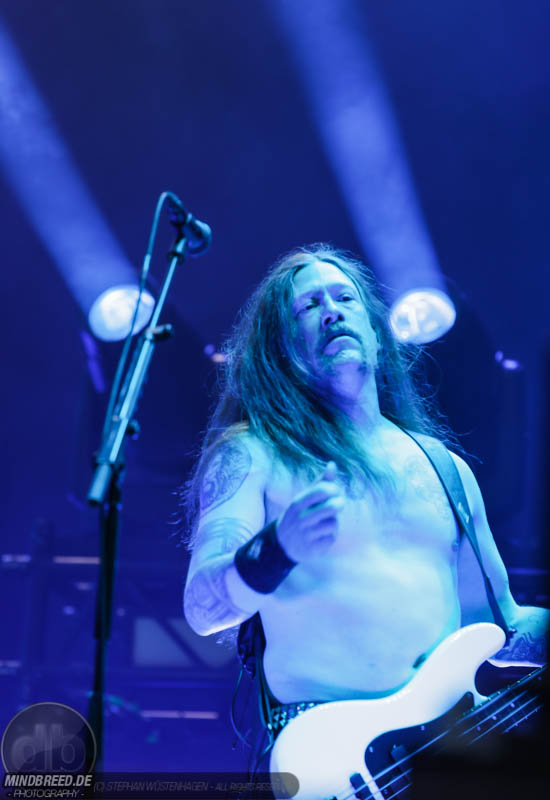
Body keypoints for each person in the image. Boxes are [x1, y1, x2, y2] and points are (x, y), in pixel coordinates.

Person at [182, 244, 547, 736]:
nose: (332, 311)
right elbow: (201, 607)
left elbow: (497, 622)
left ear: (377, 335)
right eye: (309, 306)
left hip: (444, 749)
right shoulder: (253, 453)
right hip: (328, 751)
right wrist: (278, 549)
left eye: (345, 298)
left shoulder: (445, 468)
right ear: (281, 348)